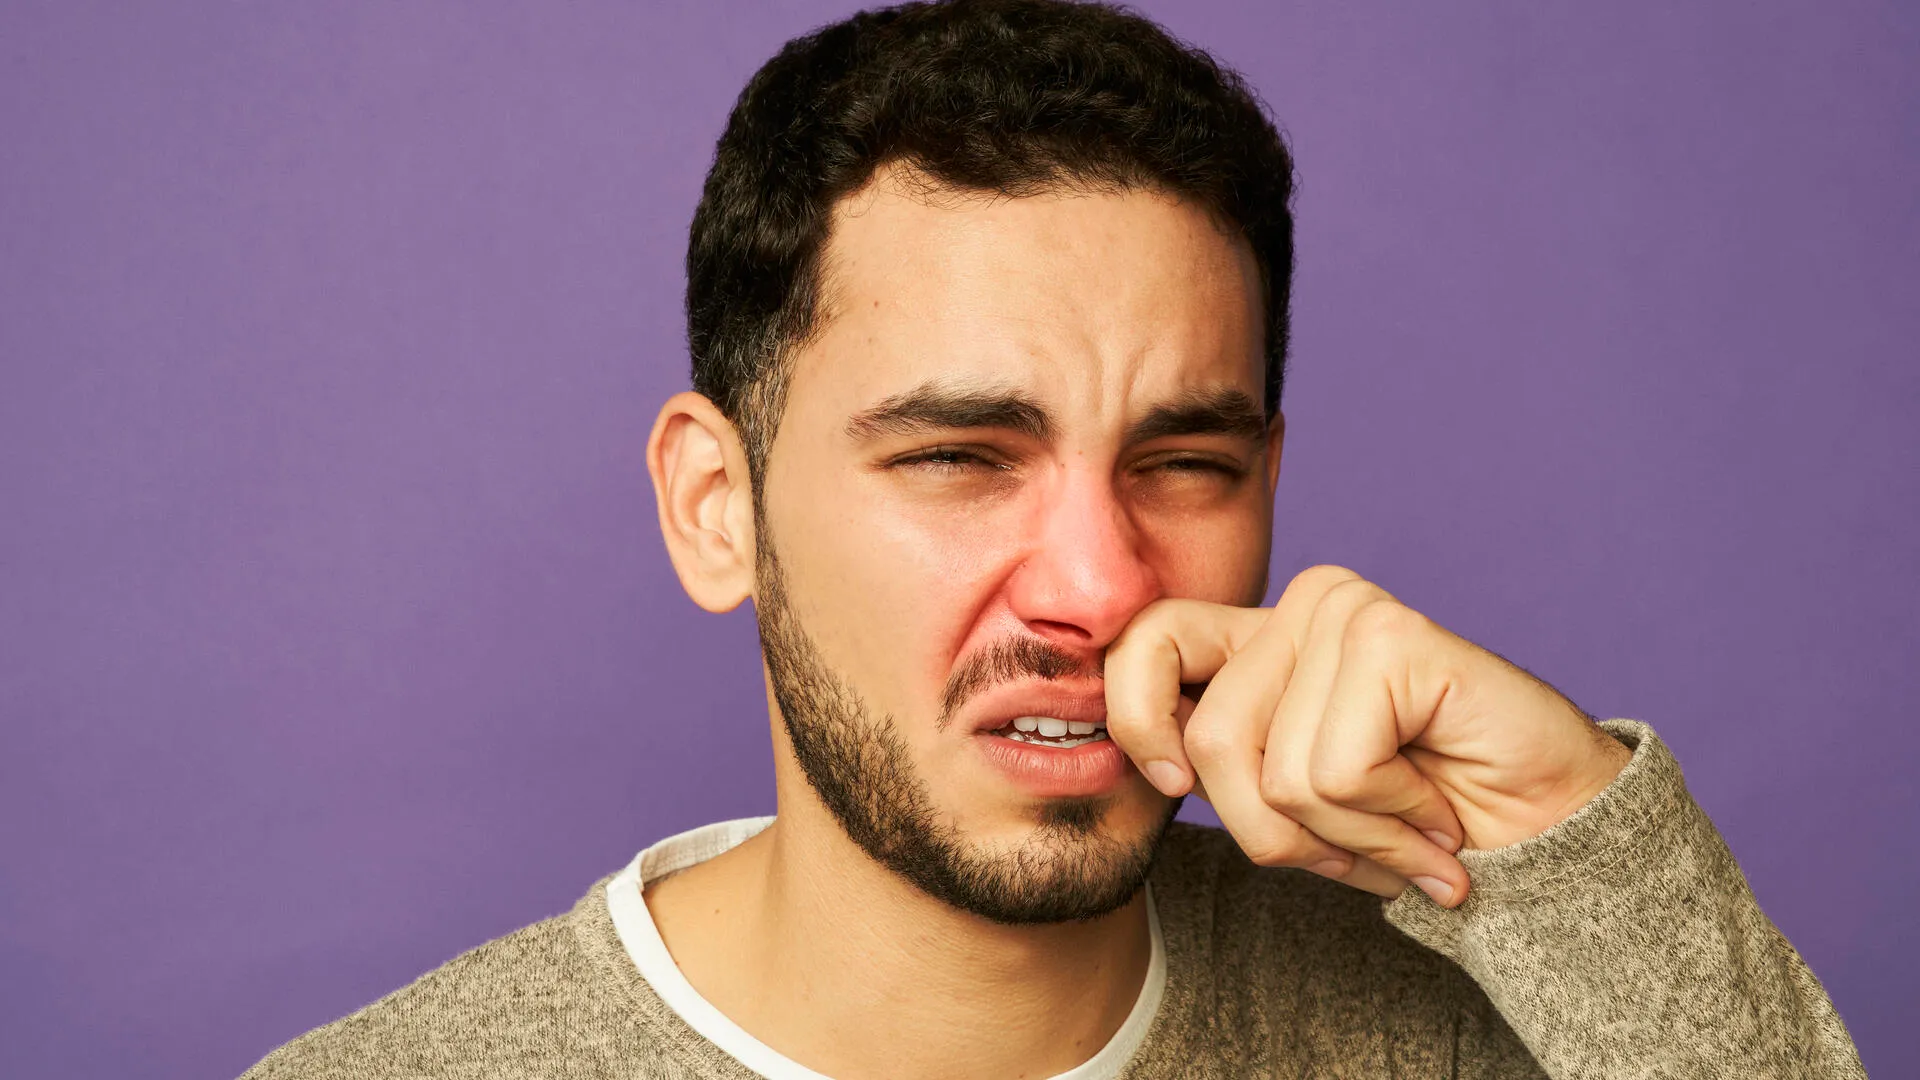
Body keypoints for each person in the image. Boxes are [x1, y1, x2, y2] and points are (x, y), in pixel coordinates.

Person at [242, 1, 1866, 1076]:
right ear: (714, 505)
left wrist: (1577, 837)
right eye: (959, 456)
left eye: (1184, 463)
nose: (1099, 585)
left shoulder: (1471, 1025)